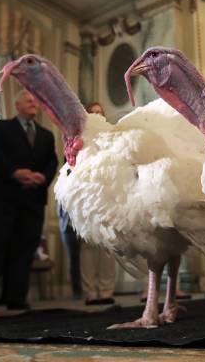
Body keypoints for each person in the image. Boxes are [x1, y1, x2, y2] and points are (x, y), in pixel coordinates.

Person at [0, 90, 58, 313]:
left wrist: (42, 177)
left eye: (36, 102)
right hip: (5, 198)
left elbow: (52, 162)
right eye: (29, 101)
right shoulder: (0, 127)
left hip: (33, 199)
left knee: (24, 250)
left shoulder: (46, 135)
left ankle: (16, 297)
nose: (34, 104)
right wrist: (15, 173)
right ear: (17, 104)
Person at [79, 102, 116, 305]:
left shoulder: (112, 137)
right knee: (89, 245)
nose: (97, 116)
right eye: (93, 113)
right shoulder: (78, 139)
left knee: (109, 244)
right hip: (86, 195)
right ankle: (91, 291)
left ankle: (106, 290)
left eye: (101, 113)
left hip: (109, 194)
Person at [58, 200, 82, 300]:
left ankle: (89, 290)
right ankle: (77, 291)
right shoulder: (63, 191)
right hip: (68, 229)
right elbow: (60, 212)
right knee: (74, 260)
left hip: (82, 229)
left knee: (86, 259)